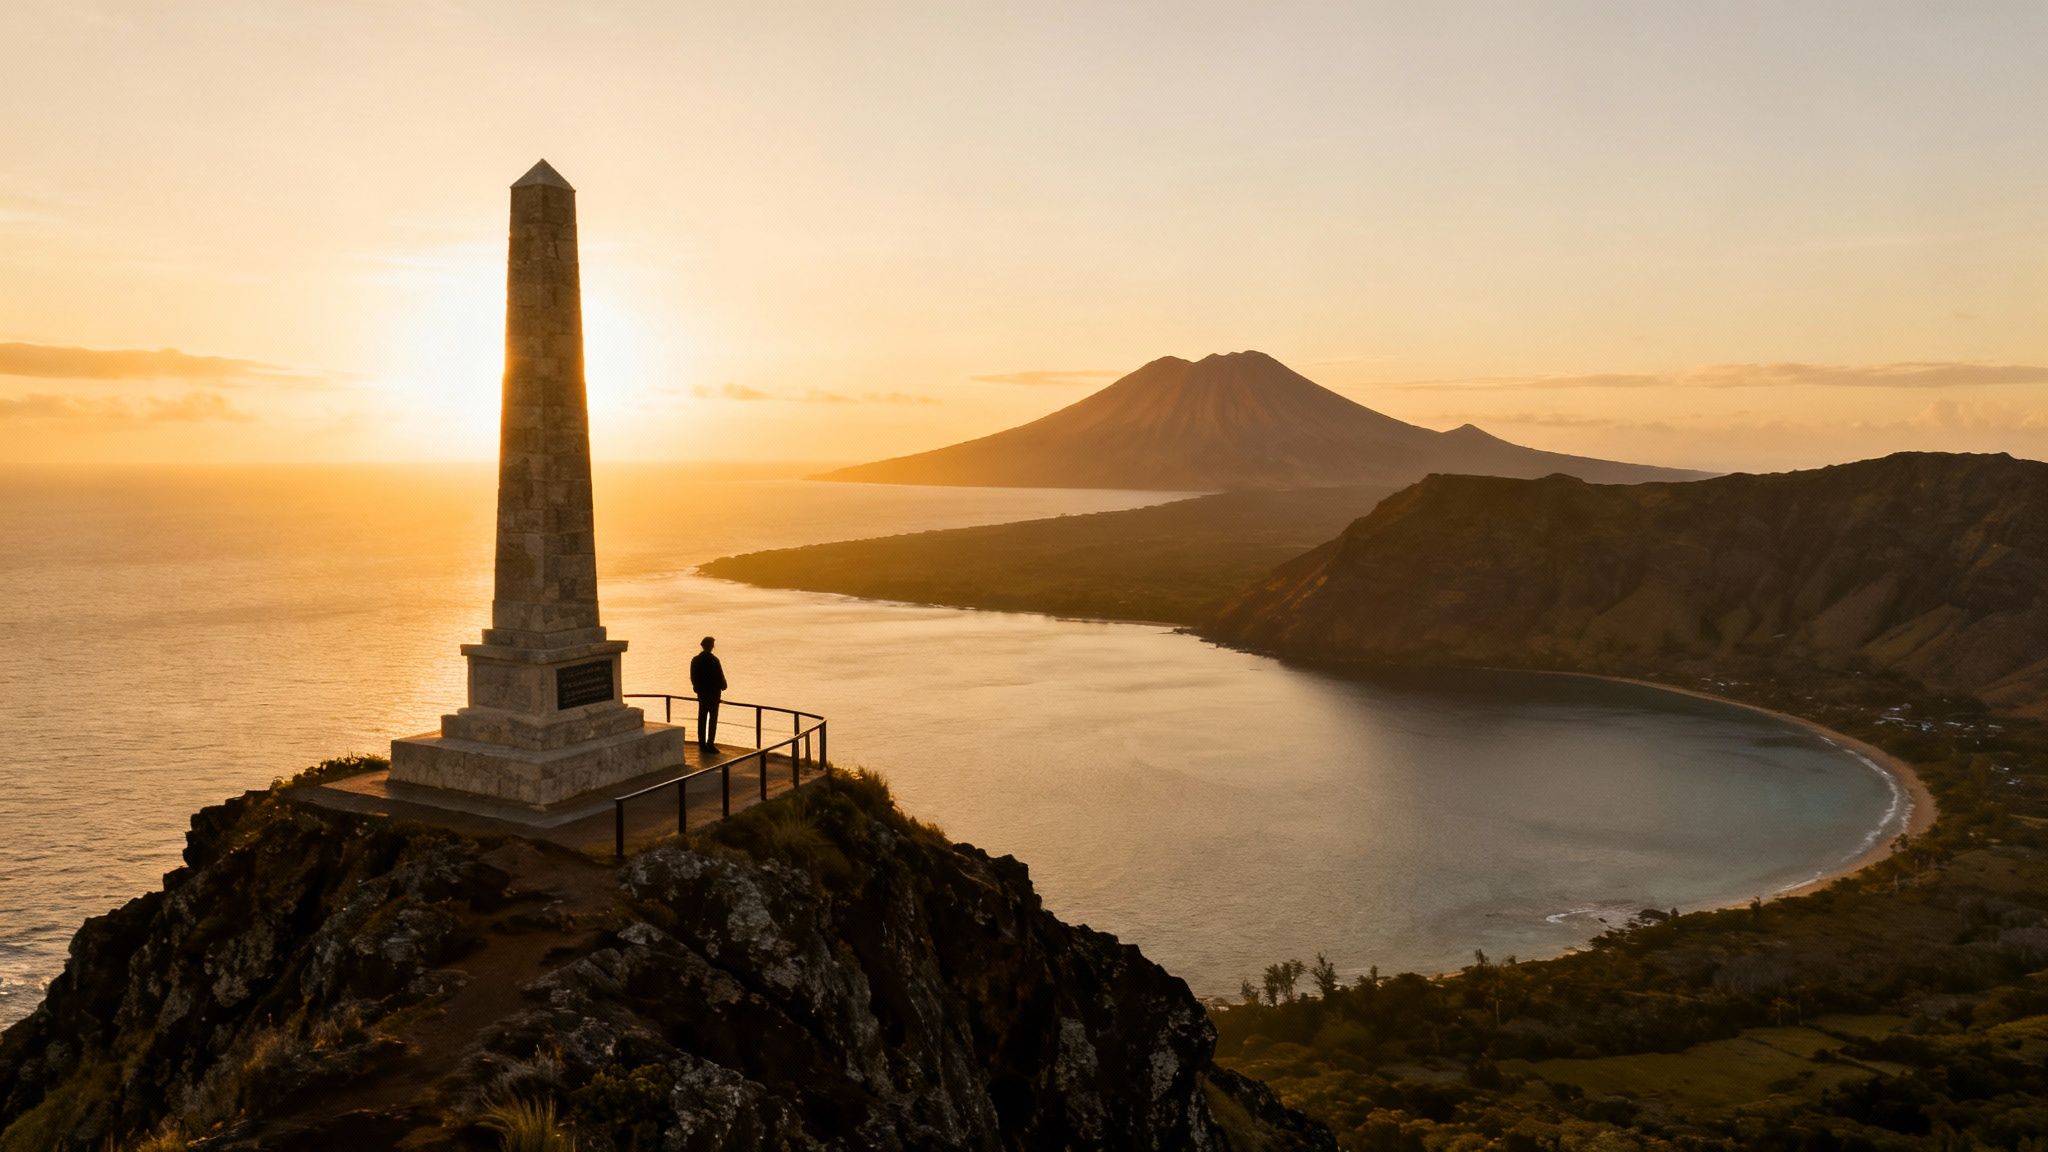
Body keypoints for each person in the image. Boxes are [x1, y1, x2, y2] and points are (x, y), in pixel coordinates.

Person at [689, 635, 726, 749]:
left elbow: (693, 677)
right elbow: (721, 678)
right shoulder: (714, 660)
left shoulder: (695, 660)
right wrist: (723, 686)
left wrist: (697, 688)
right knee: (713, 720)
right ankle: (710, 743)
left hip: (702, 694)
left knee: (702, 718)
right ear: (711, 646)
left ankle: (702, 743)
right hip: (714, 694)